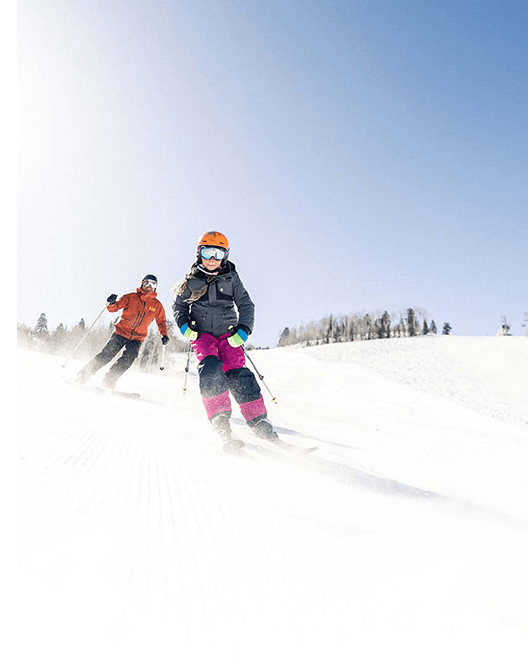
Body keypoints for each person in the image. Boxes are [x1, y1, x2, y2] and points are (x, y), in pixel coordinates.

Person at [173, 231, 278, 450]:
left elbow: (246, 305)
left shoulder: (232, 279)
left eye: (217, 253)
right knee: (210, 369)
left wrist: (244, 329)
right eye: (207, 252)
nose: (212, 259)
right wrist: (185, 326)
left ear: (225, 256)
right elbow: (179, 305)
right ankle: (220, 420)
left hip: (229, 337)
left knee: (238, 374)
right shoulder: (190, 281)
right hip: (202, 336)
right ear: (198, 253)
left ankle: (258, 421)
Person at [76, 274, 169, 389]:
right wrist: (111, 303)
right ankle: (83, 375)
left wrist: (164, 335)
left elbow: (161, 322)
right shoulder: (131, 297)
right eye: (147, 283)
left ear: (156, 287)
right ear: (142, 284)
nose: (149, 286)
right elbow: (114, 308)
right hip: (120, 332)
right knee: (107, 354)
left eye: (153, 284)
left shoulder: (157, 305)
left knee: (130, 357)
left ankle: (109, 381)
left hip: (137, 338)